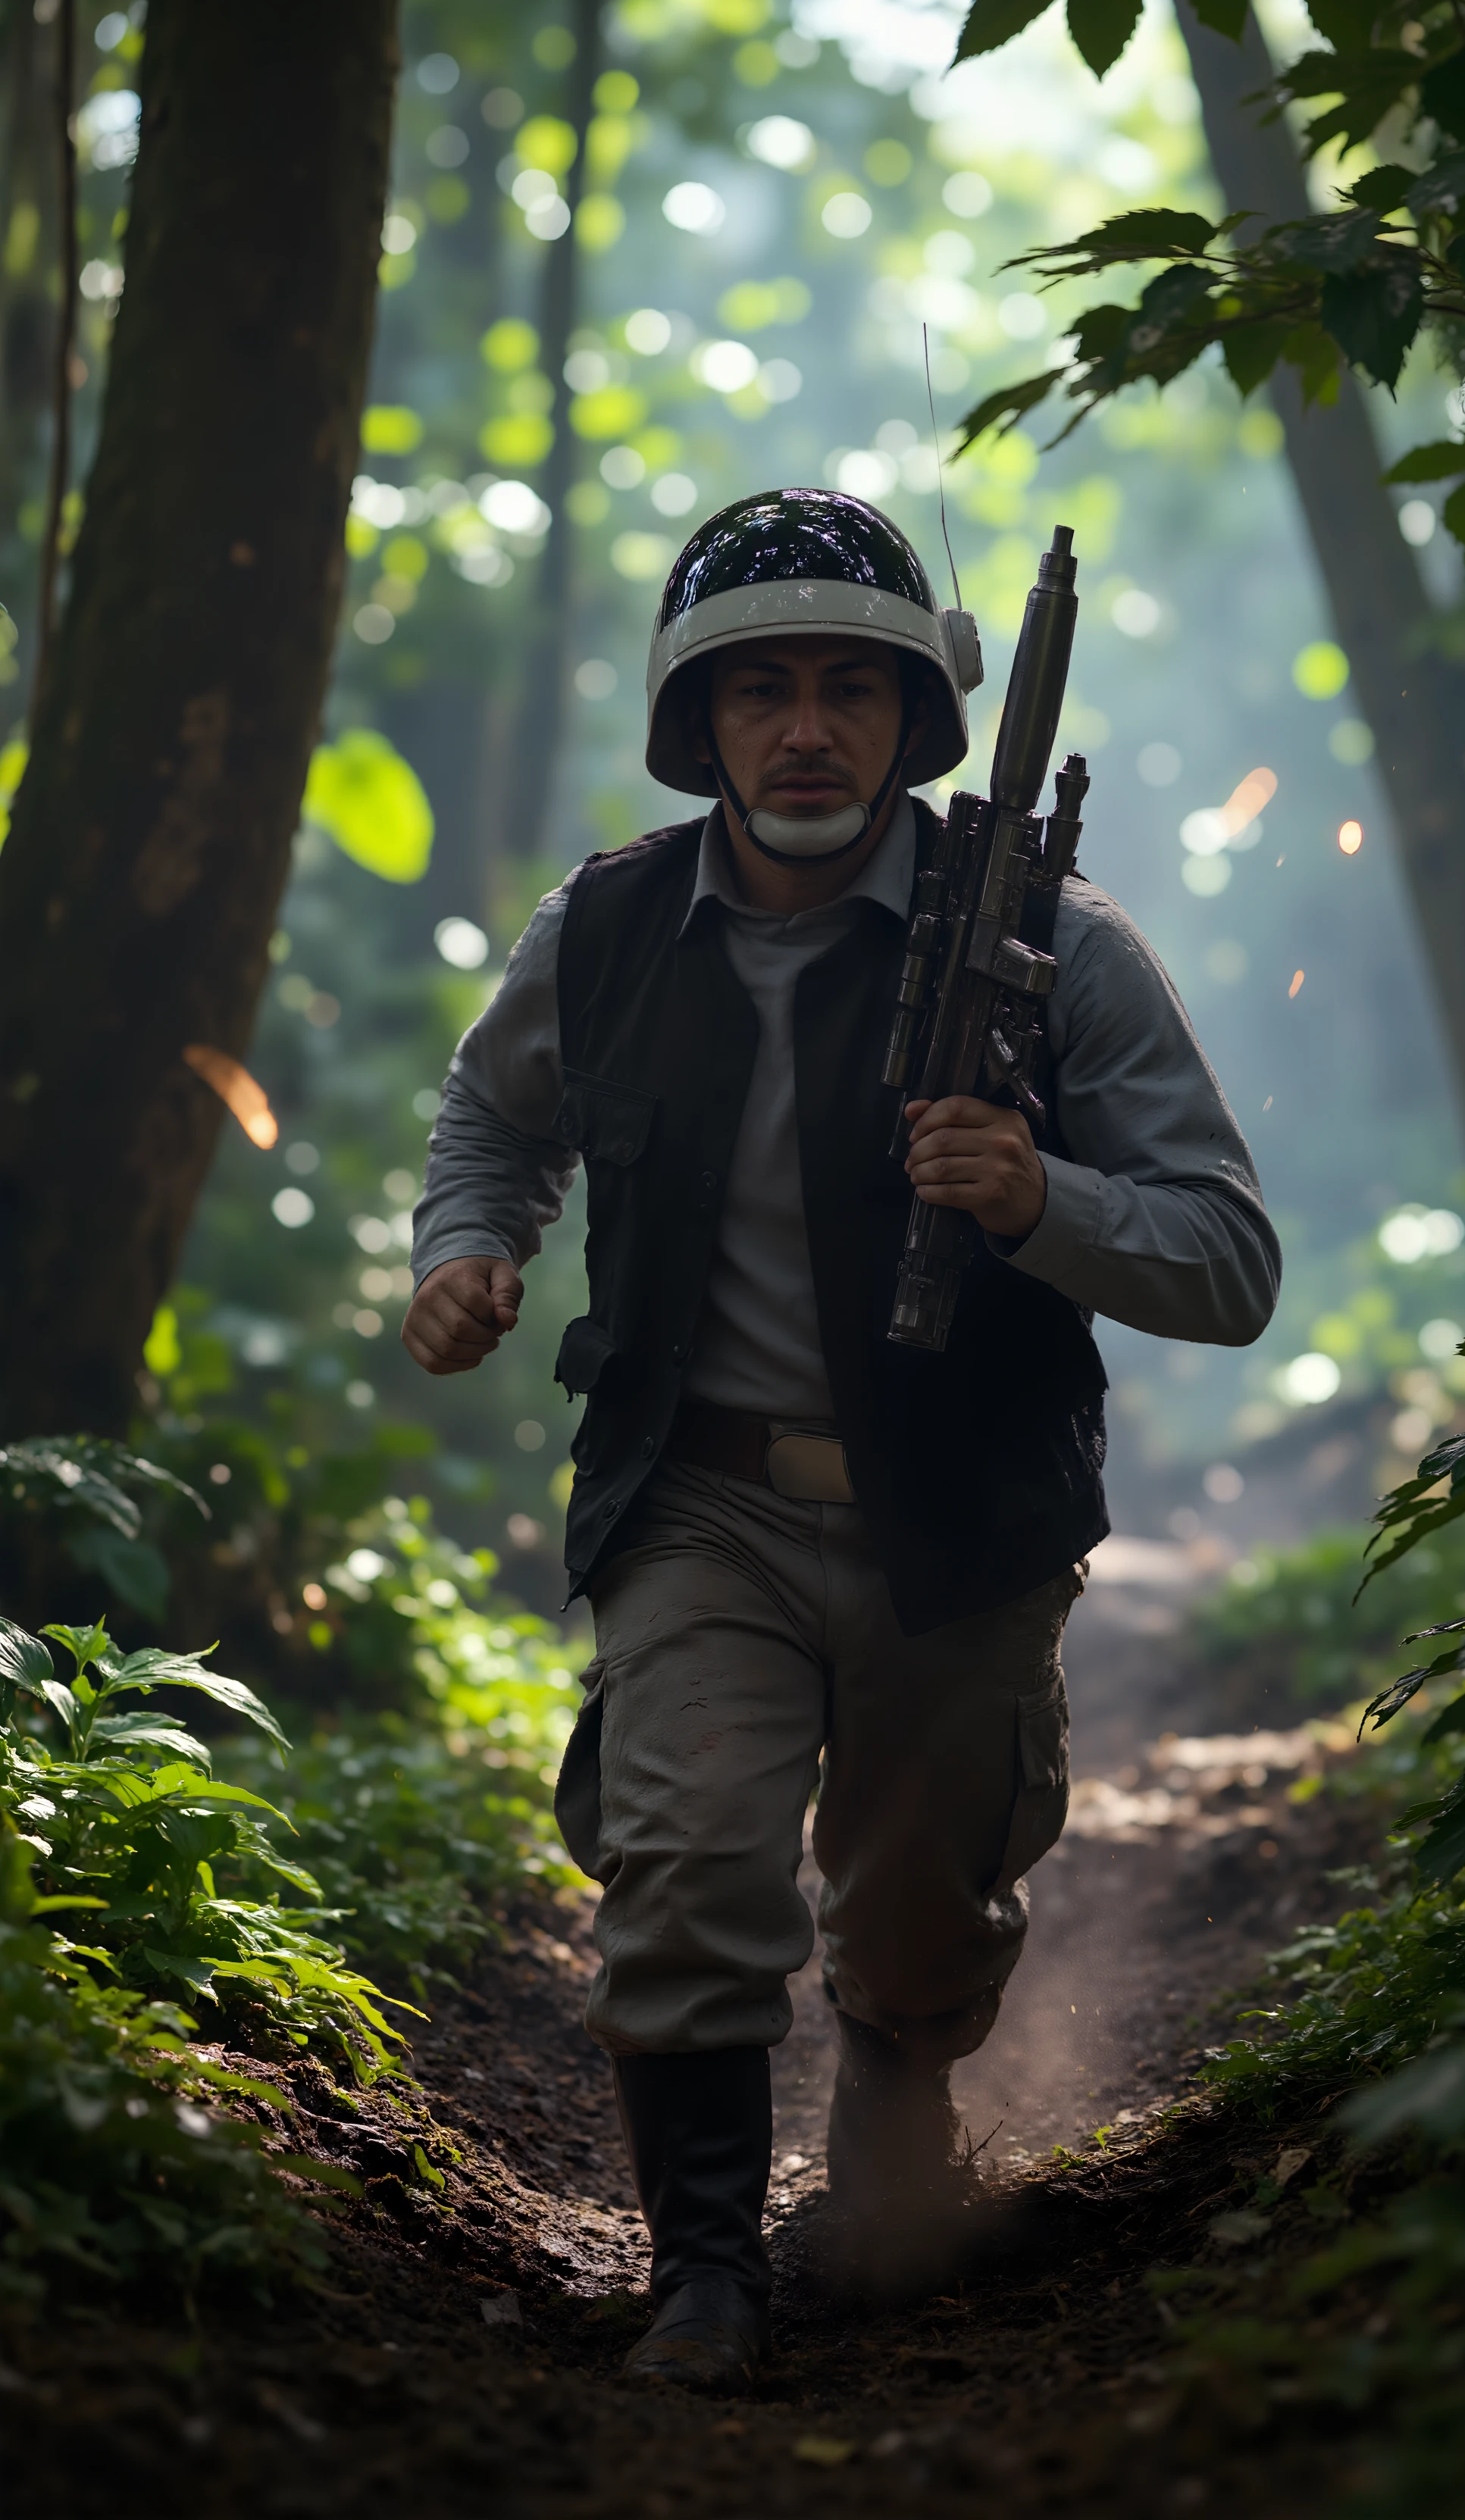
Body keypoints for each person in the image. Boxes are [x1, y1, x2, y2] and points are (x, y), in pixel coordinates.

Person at [403, 489, 1279, 2393]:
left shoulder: (1059, 943)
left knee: (911, 1914)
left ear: (911, 721)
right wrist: (471, 1249)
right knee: (689, 1867)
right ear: (698, 725)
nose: (806, 731)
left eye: (851, 694)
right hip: (695, 1500)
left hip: (955, 1517)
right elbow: (490, 1118)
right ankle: (702, 2266)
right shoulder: (614, 928)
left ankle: (897, 2117)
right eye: (763, 693)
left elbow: (1228, 1257)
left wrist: (1040, 1197)